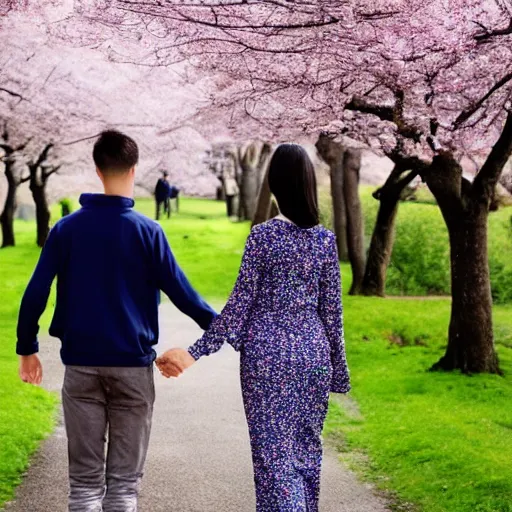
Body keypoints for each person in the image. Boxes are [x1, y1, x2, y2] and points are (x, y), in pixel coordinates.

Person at [16, 130, 217, 512]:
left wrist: (27, 348)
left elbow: (36, 292)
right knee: (123, 489)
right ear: (134, 169)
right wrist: (229, 328)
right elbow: (184, 295)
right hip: (131, 369)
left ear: (97, 169)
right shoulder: (148, 231)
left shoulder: (66, 230)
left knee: (84, 487)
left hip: (81, 368)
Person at [157, 143, 350, 511]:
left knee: (274, 461)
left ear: (274, 183)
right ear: (309, 183)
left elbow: (240, 304)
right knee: (306, 455)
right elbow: (333, 315)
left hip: (267, 358)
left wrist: (196, 352)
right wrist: (338, 373)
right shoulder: (324, 241)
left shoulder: (263, 237)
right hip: (313, 356)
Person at [222, 152, 239, 218]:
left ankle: (232, 213)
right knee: (230, 198)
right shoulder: (228, 163)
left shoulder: (231, 163)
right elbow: (227, 173)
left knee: (232, 198)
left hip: (231, 181)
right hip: (230, 181)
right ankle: (231, 213)